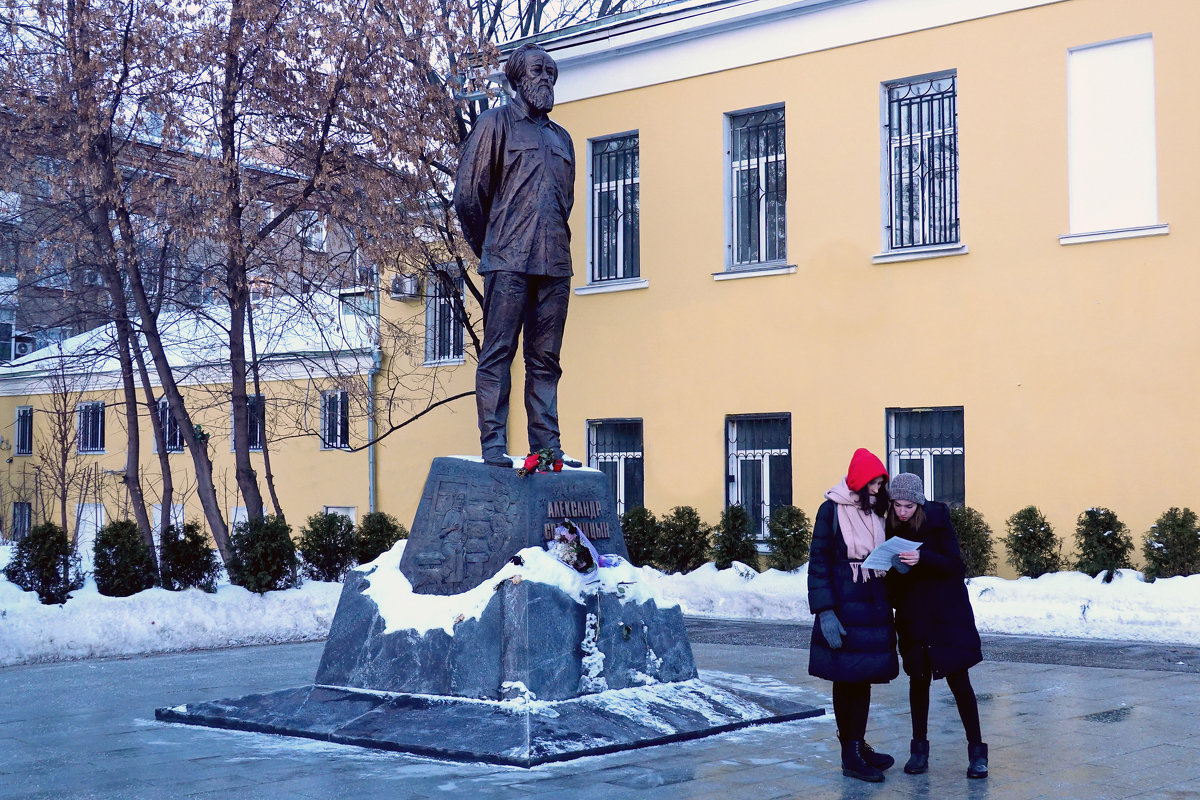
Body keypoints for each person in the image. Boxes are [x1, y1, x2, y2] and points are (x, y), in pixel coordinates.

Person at [453, 43, 578, 468]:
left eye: (551, 73)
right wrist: (490, 249)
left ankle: (546, 448)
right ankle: (492, 443)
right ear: (518, 79)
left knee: (546, 360)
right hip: (508, 261)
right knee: (498, 352)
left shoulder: (562, 139)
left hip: (555, 265)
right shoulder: (495, 124)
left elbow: (566, 202)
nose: (545, 79)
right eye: (537, 71)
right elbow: (469, 197)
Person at [886, 472, 988, 779]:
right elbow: (894, 584)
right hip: (912, 617)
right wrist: (890, 570)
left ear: (919, 503)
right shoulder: (889, 527)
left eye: (907, 506)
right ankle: (919, 752)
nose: (902, 512)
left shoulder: (939, 521)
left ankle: (977, 753)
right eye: (897, 505)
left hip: (946, 618)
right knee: (918, 682)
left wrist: (922, 557)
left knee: (960, 684)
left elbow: (956, 566)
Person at [808, 448, 899, 783]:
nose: (877, 488)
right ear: (858, 482)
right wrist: (826, 612)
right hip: (844, 606)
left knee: (862, 677)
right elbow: (818, 564)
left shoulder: (878, 510)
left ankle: (859, 746)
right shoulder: (830, 510)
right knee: (845, 679)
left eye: (881, 483)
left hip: (873, 604)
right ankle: (850, 755)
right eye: (872, 483)